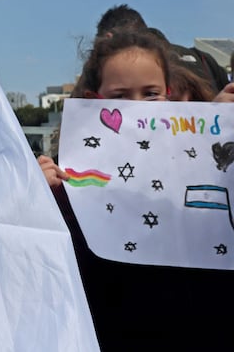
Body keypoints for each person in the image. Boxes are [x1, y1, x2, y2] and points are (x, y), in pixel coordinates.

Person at [42, 28, 233, 350]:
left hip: (203, 324)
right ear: (94, 100)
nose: (139, 106)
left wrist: (217, 127)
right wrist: (39, 192)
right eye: (120, 96)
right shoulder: (71, 171)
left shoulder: (195, 154)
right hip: (116, 323)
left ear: (168, 95)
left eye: (150, 93)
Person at [95, 4, 230, 94]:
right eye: (120, 96)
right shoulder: (204, 60)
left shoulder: (102, 70)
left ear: (109, 38)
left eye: (151, 94)